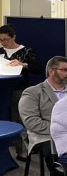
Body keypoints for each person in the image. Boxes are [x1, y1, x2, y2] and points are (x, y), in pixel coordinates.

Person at [1, 24, 42, 161]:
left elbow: (37, 68)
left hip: (19, 88)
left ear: (14, 37)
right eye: (1, 40)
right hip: (2, 88)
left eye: (6, 39)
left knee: (18, 118)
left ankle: (22, 151)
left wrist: (22, 64)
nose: (3, 43)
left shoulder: (26, 51)